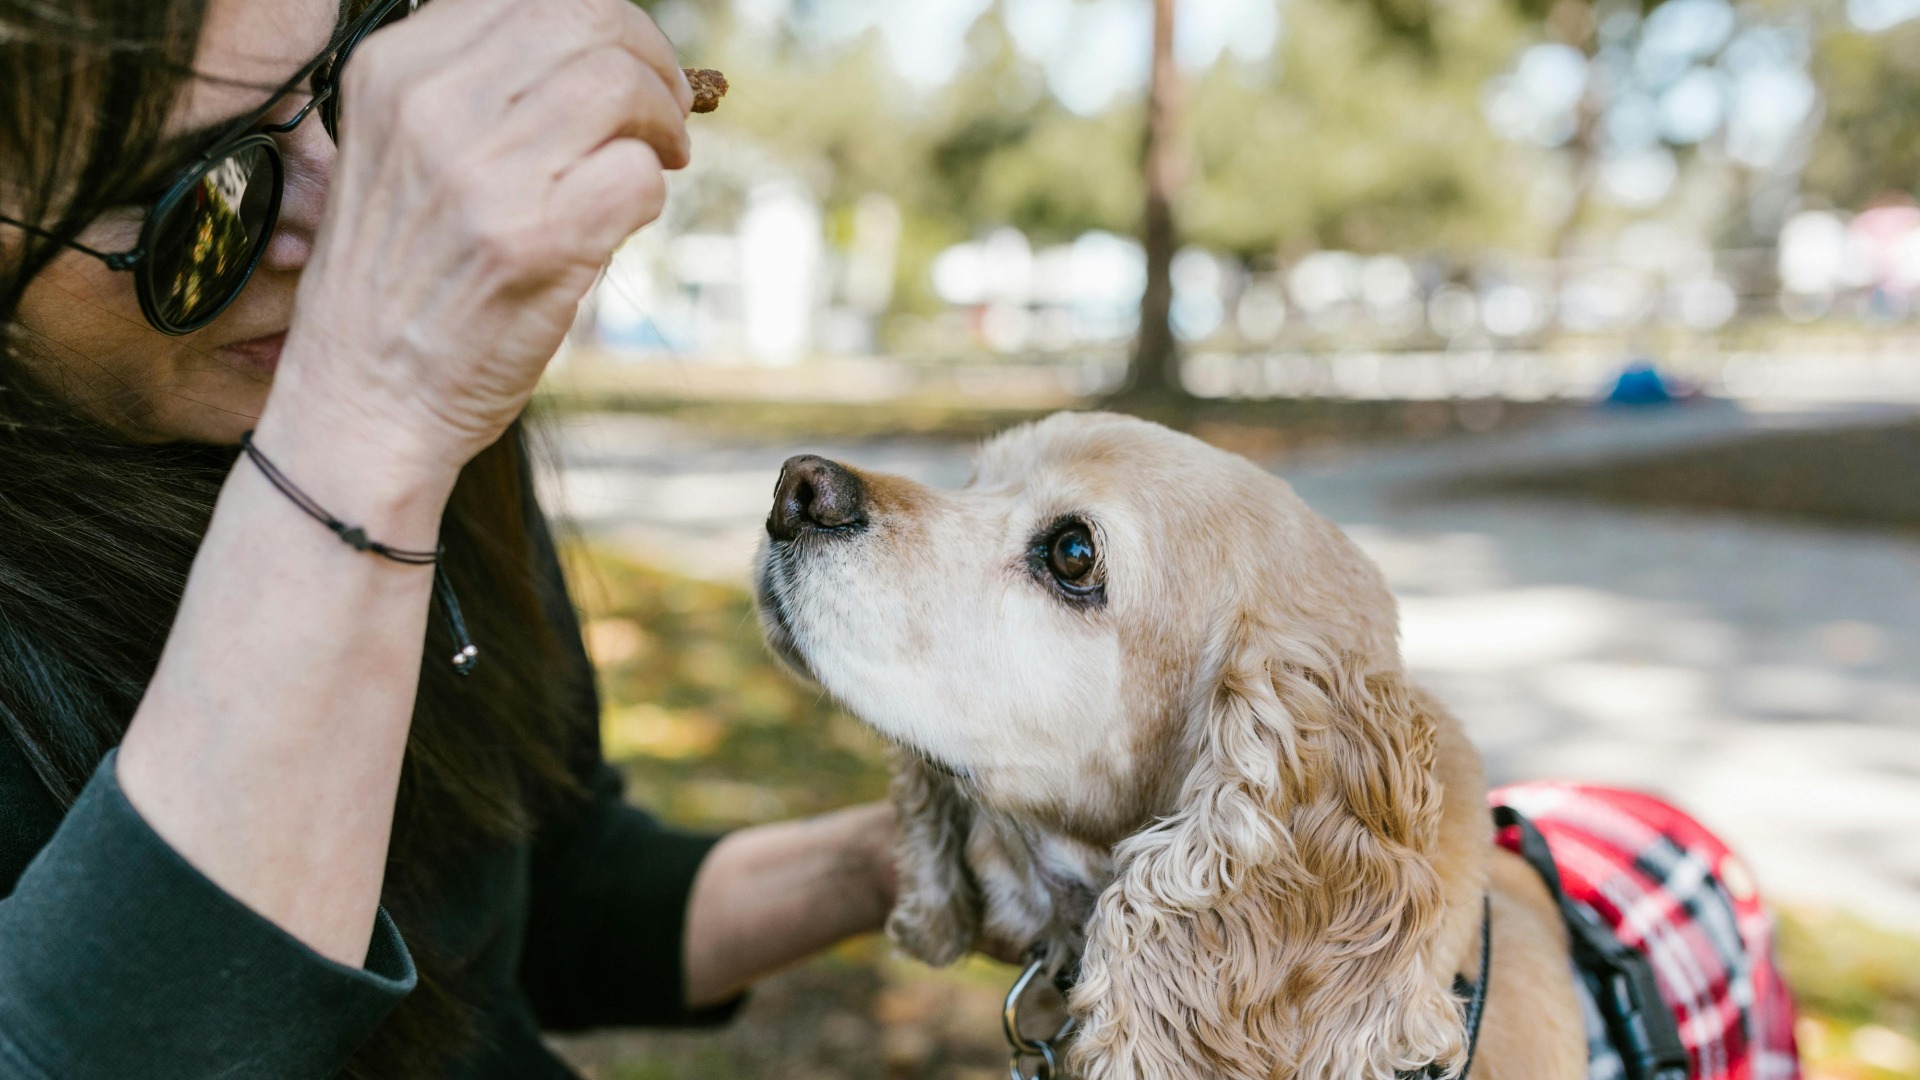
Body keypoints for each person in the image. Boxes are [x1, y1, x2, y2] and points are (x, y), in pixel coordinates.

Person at [0, 1, 902, 1076]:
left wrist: (889, 866)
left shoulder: (409, 404)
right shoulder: (380, 408)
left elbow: (533, 897)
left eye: (351, 86)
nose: (346, 217)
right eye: (197, 191)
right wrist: (366, 437)